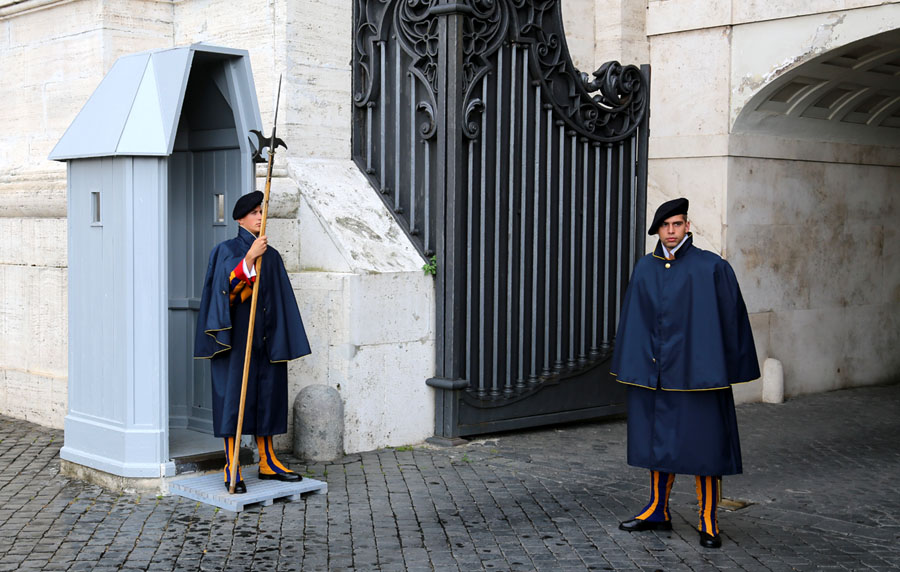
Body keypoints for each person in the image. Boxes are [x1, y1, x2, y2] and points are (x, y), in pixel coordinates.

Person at [611, 197, 759, 548]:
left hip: (699, 377)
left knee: (705, 448)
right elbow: (633, 321)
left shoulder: (712, 267)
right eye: (665, 226)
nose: (672, 231)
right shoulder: (645, 268)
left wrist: (728, 367)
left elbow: (731, 320)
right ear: (658, 230)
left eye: (677, 224)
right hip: (656, 378)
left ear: (687, 225)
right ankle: (657, 510)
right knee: (656, 445)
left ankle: (708, 518)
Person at [194, 191, 311, 494]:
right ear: (240, 218)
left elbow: (278, 299)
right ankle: (231, 464)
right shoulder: (226, 250)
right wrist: (248, 259)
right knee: (233, 401)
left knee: (268, 397)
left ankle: (268, 461)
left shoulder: (271, 255)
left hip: (266, 339)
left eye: (263, 211)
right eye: (255, 212)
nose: (261, 217)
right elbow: (227, 292)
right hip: (234, 341)